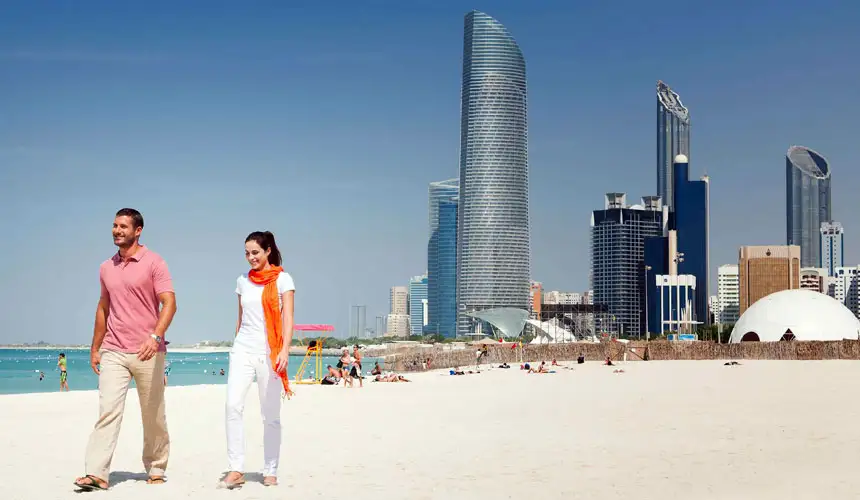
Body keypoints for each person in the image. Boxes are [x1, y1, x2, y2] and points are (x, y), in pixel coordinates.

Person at [74, 208, 177, 491]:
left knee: (152, 413)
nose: (116, 231)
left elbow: (169, 303)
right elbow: (103, 306)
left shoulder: (155, 262)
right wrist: (95, 347)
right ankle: (97, 473)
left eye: (122, 226)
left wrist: (155, 337)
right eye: (114, 226)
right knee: (107, 411)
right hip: (114, 350)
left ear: (138, 230)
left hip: (148, 350)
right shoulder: (106, 267)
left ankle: (156, 466)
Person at [220, 231, 295, 489]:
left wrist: (284, 350)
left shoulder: (283, 280)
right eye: (247, 253)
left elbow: (287, 319)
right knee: (232, 406)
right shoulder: (242, 281)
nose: (251, 257)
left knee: (270, 414)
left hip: (270, 352)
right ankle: (236, 468)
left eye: (255, 252)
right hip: (243, 348)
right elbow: (240, 318)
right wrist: (236, 343)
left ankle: (270, 470)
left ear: (268, 251)